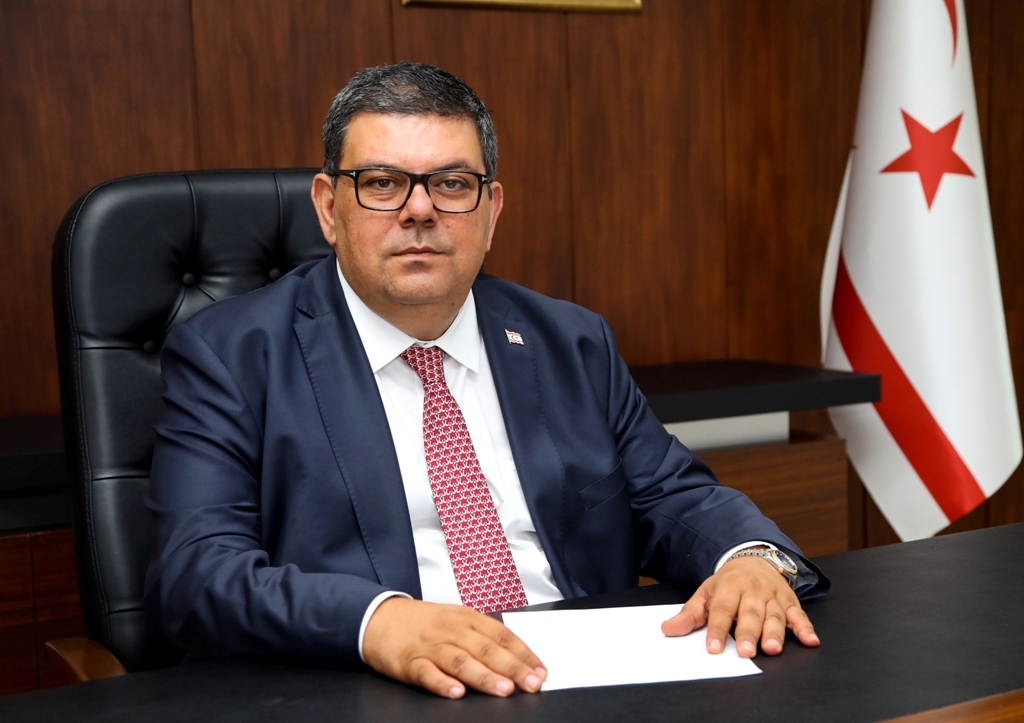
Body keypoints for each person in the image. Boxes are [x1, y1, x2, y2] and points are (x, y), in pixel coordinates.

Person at [145, 62, 828, 700]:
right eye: (382, 183)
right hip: (370, 692)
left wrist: (749, 559)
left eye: (451, 184)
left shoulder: (570, 341)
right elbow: (196, 572)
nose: (419, 210)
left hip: (583, 684)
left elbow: (676, 496)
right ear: (328, 207)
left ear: (491, 210)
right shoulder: (232, 355)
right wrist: (377, 621)